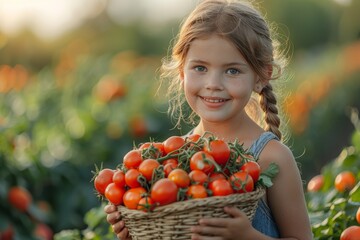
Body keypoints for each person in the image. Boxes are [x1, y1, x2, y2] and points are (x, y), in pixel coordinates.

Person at [104, 0, 313, 239]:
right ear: (182, 71)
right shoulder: (174, 157)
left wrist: (247, 236)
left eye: (232, 70)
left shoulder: (271, 157)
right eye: (200, 68)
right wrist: (135, 230)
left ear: (261, 77)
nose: (213, 84)